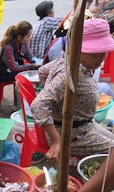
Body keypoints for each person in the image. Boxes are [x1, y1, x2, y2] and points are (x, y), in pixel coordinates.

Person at [30, 18, 114, 162]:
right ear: (76, 49)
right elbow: (38, 105)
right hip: (71, 134)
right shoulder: (68, 75)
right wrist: (57, 140)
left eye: (104, 51)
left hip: (86, 125)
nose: (101, 57)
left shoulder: (67, 60)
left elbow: (43, 71)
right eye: (95, 52)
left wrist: (60, 99)